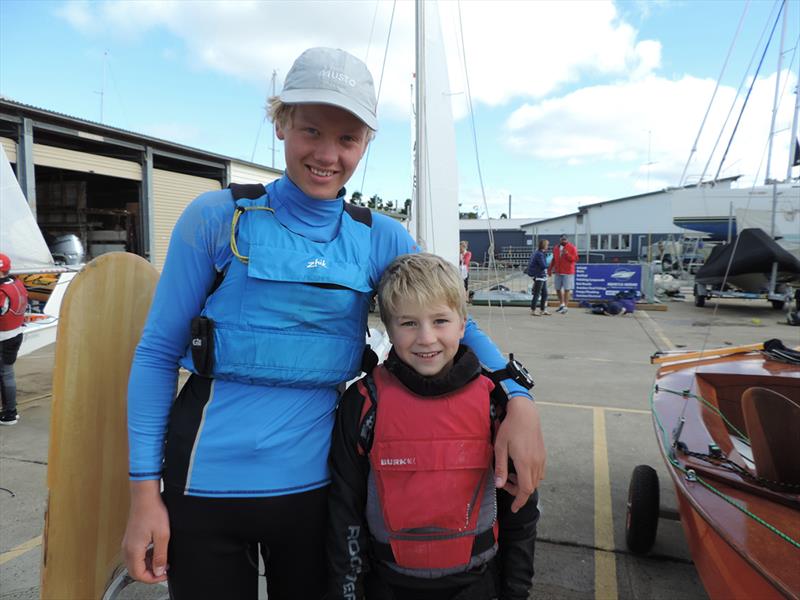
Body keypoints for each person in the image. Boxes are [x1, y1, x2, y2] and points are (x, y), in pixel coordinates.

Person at [122, 47, 545, 599]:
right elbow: (156, 354)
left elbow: (451, 322)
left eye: (347, 140)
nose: (327, 155)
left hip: (318, 494)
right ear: (281, 124)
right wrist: (143, 495)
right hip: (204, 486)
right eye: (311, 132)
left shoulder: (380, 237)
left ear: (366, 142)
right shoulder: (217, 219)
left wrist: (519, 398)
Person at [328, 253, 538, 600]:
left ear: (462, 323)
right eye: (408, 323)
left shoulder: (495, 406)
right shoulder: (364, 403)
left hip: (477, 586)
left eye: (440, 320)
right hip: (388, 585)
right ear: (388, 326)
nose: (426, 338)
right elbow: (344, 510)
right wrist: (348, 591)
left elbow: (521, 512)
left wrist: (516, 591)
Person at [0, 253, 28, 426]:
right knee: (7, 374)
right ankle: (11, 411)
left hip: (3, 339)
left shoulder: (2, 291)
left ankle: (10, 413)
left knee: (5, 376)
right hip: (16, 334)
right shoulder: (17, 283)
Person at [548, 234, 578, 314]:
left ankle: (566, 307)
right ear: (560, 240)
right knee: (557, 289)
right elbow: (554, 259)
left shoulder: (572, 247)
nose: (563, 241)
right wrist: (550, 269)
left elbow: (575, 259)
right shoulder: (556, 248)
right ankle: (561, 304)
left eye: (565, 239)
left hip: (568, 272)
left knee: (567, 289)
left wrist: (567, 254)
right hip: (558, 271)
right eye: (562, 239)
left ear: (567, 240)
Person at [525, 239, 550, 316]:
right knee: (537, 293)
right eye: (547, 245)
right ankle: (533, 310)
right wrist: (550, 264)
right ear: (544, 246)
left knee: (545, 293)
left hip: (543, 275)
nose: (548, 246)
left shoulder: (540, 253)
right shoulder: (539, 254)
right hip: (539, 275)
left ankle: (543, 309)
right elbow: (543, 265)